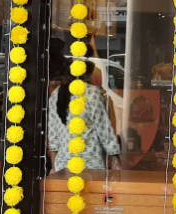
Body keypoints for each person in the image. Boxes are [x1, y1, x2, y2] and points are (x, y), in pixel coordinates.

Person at [47, 38, 121, 172]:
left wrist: (53, 167)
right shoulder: (91, 93)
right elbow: (104, 129)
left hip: (63, 166)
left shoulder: (55, 95)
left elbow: (53, 137)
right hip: (91, 165)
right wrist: (115, 158)